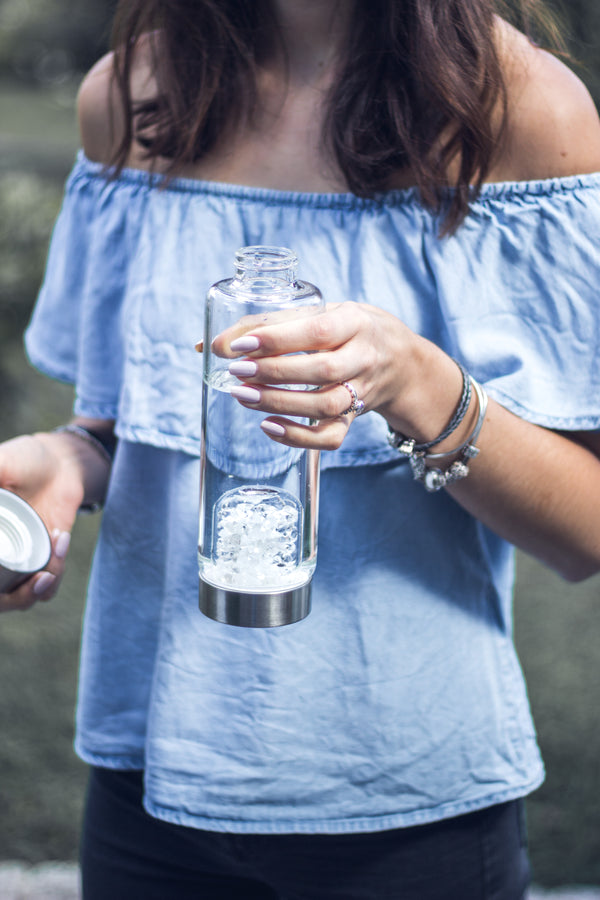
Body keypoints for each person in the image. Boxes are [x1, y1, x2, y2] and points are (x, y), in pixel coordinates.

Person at [2, 0, 600, 897]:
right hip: (150, 786)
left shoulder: (520, 113)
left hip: (408, 805)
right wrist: (73, 458)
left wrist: (418, 385)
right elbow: (136, 424)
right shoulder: (132, 98)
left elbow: (586, 531)